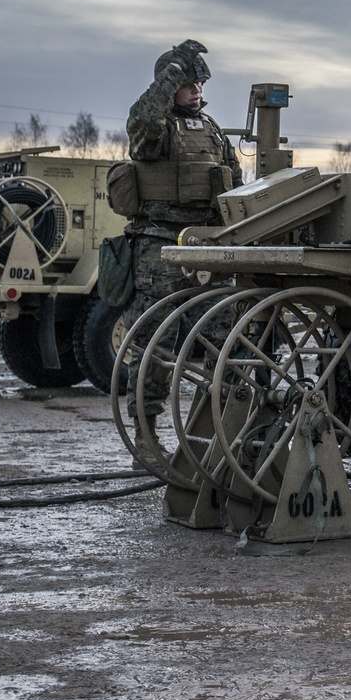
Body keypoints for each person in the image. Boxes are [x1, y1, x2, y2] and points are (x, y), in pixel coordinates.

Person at [124, 39, 242, 421]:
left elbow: (235, 187)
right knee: (154, 344)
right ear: (169, 85)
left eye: (199, 84)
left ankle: (213, 427)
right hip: (159, 247)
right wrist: (173, 69)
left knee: (226, 338)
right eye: (189, 83)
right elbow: (143, 117)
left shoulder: (212, 130)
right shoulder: (154, 131)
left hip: (207, 246)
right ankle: (146, 430)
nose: (197, 90)